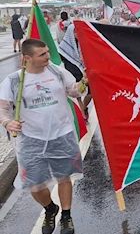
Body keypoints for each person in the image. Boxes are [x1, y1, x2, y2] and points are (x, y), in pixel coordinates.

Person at [0, 39, 88, 234]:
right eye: (43, 54)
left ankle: (66, 216)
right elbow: (2, 109)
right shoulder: (15, 81)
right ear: (27, 58)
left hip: (62, 135)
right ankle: (50, 209)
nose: (48, 56)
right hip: (31, 140)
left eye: (47, 52)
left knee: (64, 177)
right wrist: (7, 122)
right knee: (35, 184)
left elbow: (74, 92)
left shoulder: (57, 72)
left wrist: (84, 82)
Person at [59, 24, 93, 121]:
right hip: (73, 72)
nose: (78, 33)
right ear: (71, 33)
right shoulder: (64, 46)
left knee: (90, 93)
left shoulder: (85, 41)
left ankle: (84, 107)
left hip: (85, 71)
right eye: (76, 31)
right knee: (77, 95)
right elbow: (63, 59)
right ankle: (82, 116)